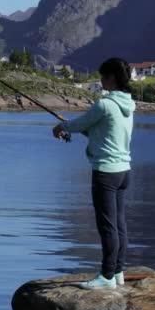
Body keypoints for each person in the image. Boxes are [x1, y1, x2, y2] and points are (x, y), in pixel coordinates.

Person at [53, 58, 136, 290]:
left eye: (103, 76)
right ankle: (118, 271)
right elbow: (102, 133)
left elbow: (81, 123)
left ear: (111, 77)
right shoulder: (128, 105)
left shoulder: (104, 104)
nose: (100, 81)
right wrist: (76, 127)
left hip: (106, 174)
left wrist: (62, 127)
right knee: (119, 224)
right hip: (123, 172)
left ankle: (107, 276)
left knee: (107, 226)